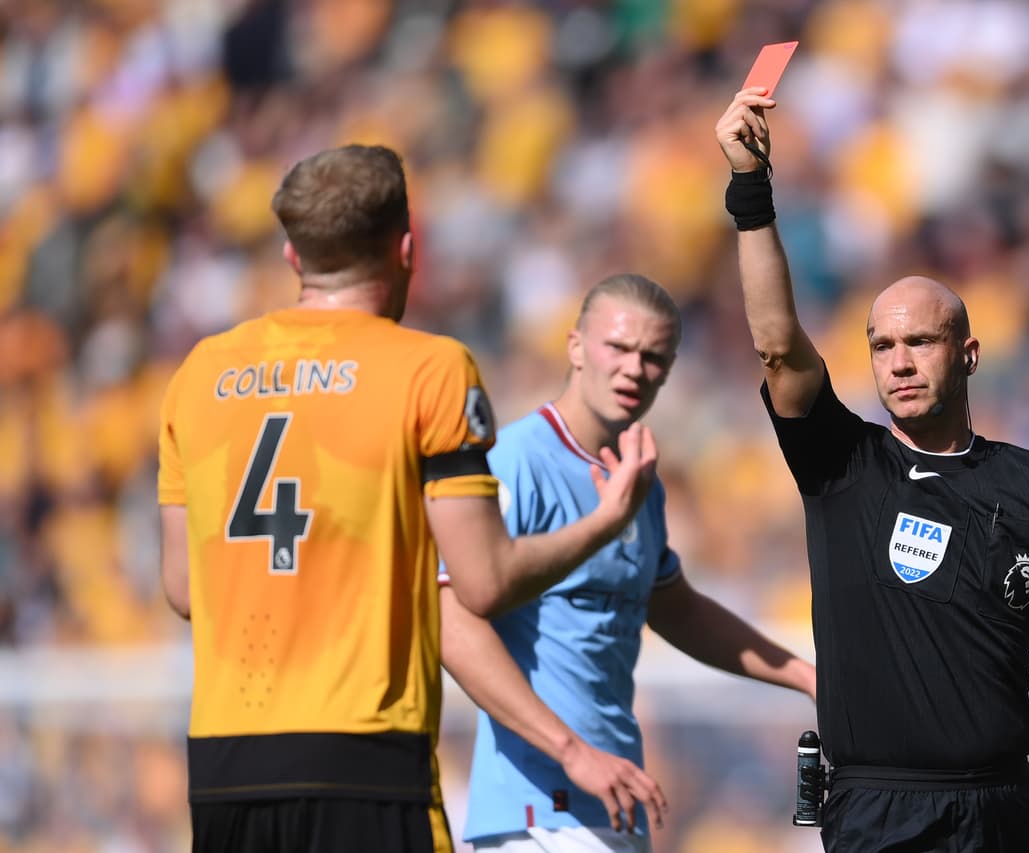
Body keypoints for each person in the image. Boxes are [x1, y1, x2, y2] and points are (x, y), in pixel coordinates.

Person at [156, 144, 659, 853]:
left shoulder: (198, 373)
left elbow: (182, 588)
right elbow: (482, 581)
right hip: (363, 756)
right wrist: (607, 519)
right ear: (407, 249)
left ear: (292, 256)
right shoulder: (429, 369)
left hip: (223, 763)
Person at [714, 89, 1029, 852]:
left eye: (921, 342)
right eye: (881, 346)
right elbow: (776, 343)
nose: (898, 362)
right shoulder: (841, 463)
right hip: (876, 810)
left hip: (1003, 807)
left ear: (967, 353)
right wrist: (750, 191)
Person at [438, 273, 818, 853]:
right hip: (537, 810)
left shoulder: (638, 475)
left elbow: (674, 606)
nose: (634, 369)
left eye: (653, 356)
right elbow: (451, 617)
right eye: (618, 347)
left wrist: (806, 677)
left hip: (611, 801)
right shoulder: (518, 460)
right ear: (575, 347)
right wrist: (571, 752)